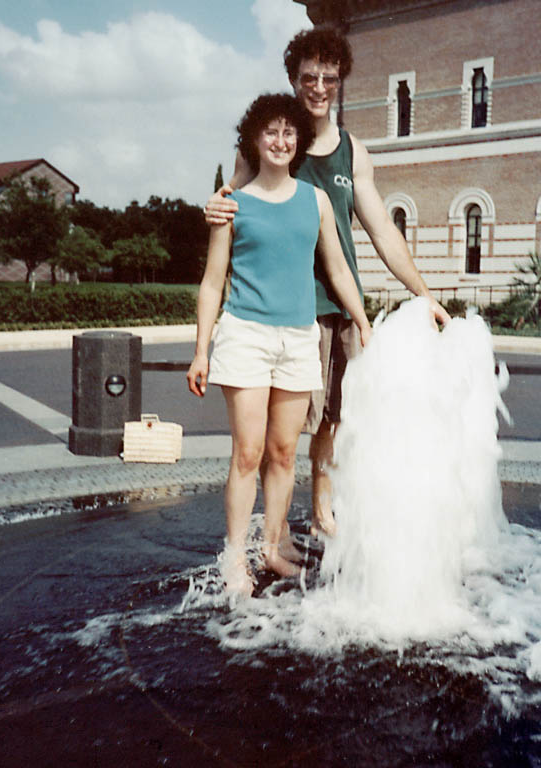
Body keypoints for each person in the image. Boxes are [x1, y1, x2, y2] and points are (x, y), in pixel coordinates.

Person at [204, 28, 451, 540]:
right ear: (294, 80)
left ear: (340, 83)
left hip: (342, 301)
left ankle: (320, 508)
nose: (319, 87)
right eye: (309, 77)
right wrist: (213, 203)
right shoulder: (269, 143)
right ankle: (271, 534)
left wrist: (423, 294)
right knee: (286, 434)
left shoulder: (353, 152)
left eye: (329, 78)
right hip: (291, 309)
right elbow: (232, 204)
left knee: (336, 415)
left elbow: (382, 227)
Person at [187, 93, 371, 597]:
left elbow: (336, 268)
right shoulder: (232, 205)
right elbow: (211, 282)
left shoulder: (314, 201)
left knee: (285, 452)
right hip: (245, 335)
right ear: (254, 138)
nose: (280, 140)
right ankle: (233, 558)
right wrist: (202, 350)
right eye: (271, 131)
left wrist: (362, 319)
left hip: (298, 339)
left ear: (299, 141)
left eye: (289, 133)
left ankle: (271, 546)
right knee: (248, 453)